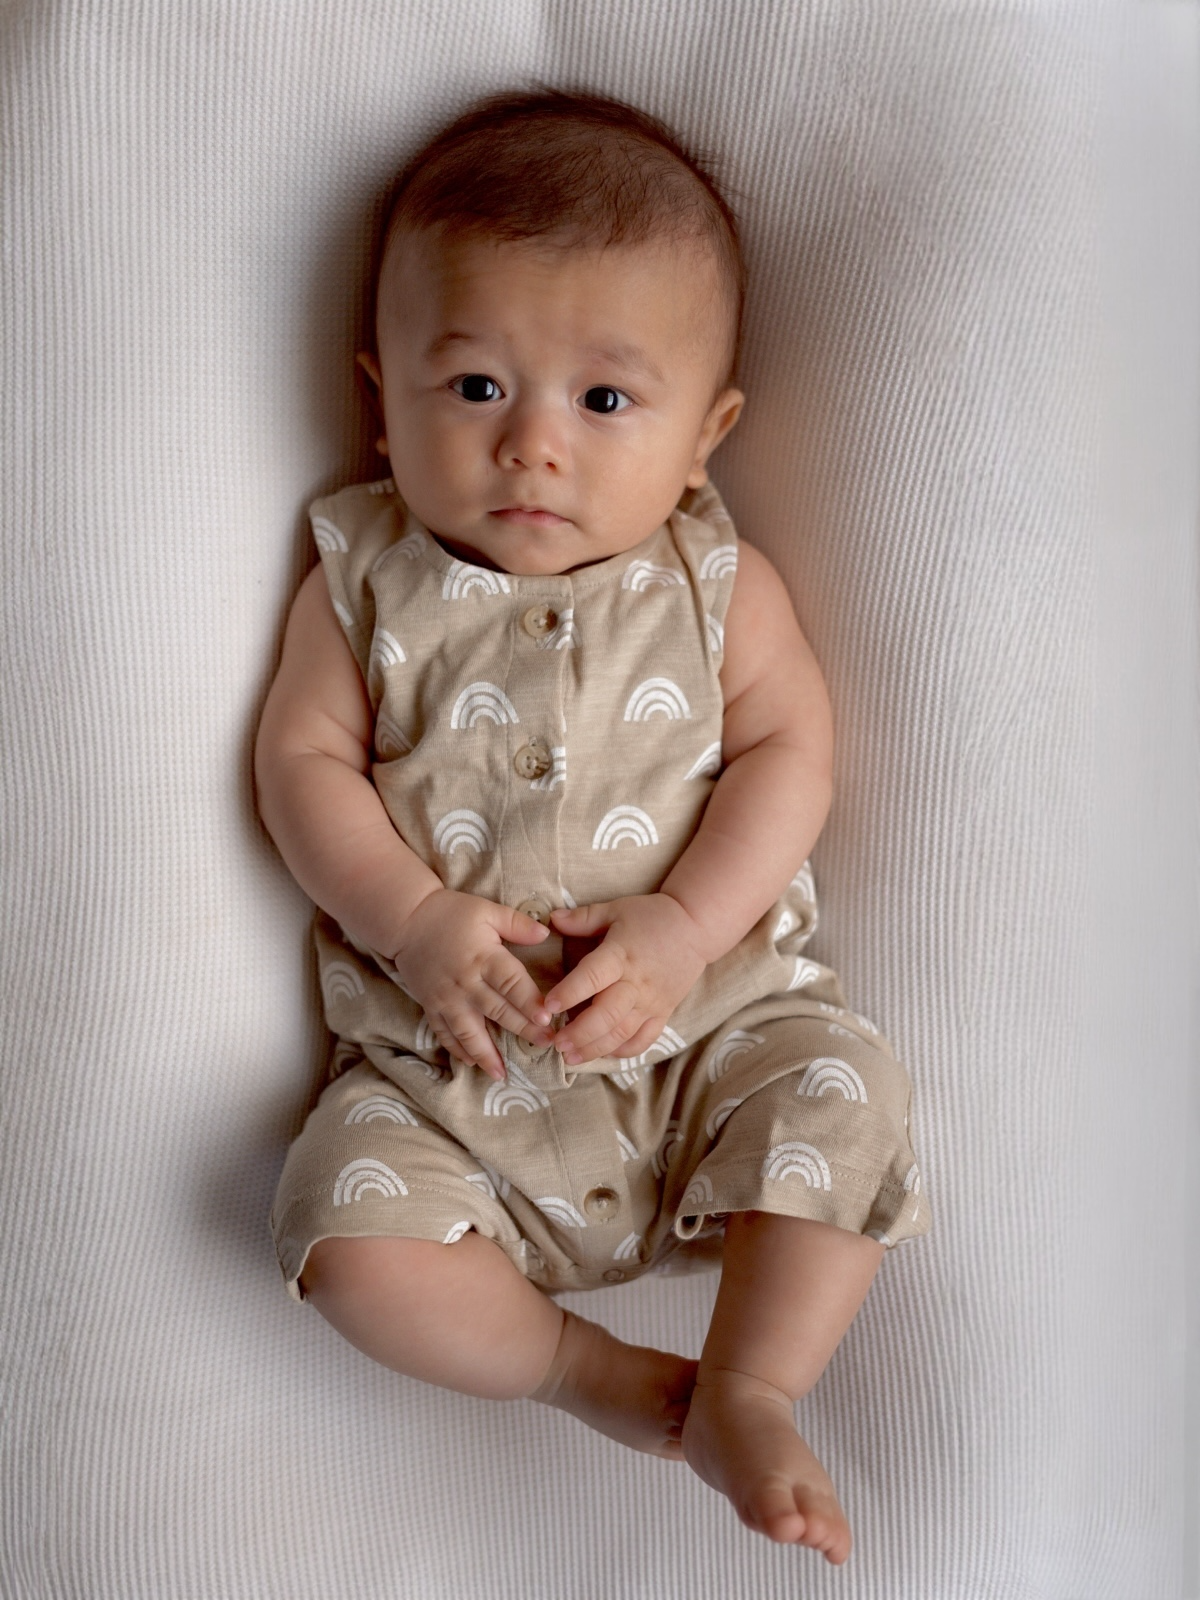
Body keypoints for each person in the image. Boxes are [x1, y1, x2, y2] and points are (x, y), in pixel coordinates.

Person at [256, 87, 930, 1564]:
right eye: (478, 387)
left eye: (605, 401)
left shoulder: (717, 586)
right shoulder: (363, 583)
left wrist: (687, 934)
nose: (533, 450)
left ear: (708, 434)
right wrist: (416, 920)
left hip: (710, 1040)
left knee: (844, 1095)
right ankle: (597, 1373)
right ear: (382, 401)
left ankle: (753, 1383)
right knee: (340, 1237)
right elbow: (302, 765)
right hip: (454, 1076)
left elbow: (787, 752)